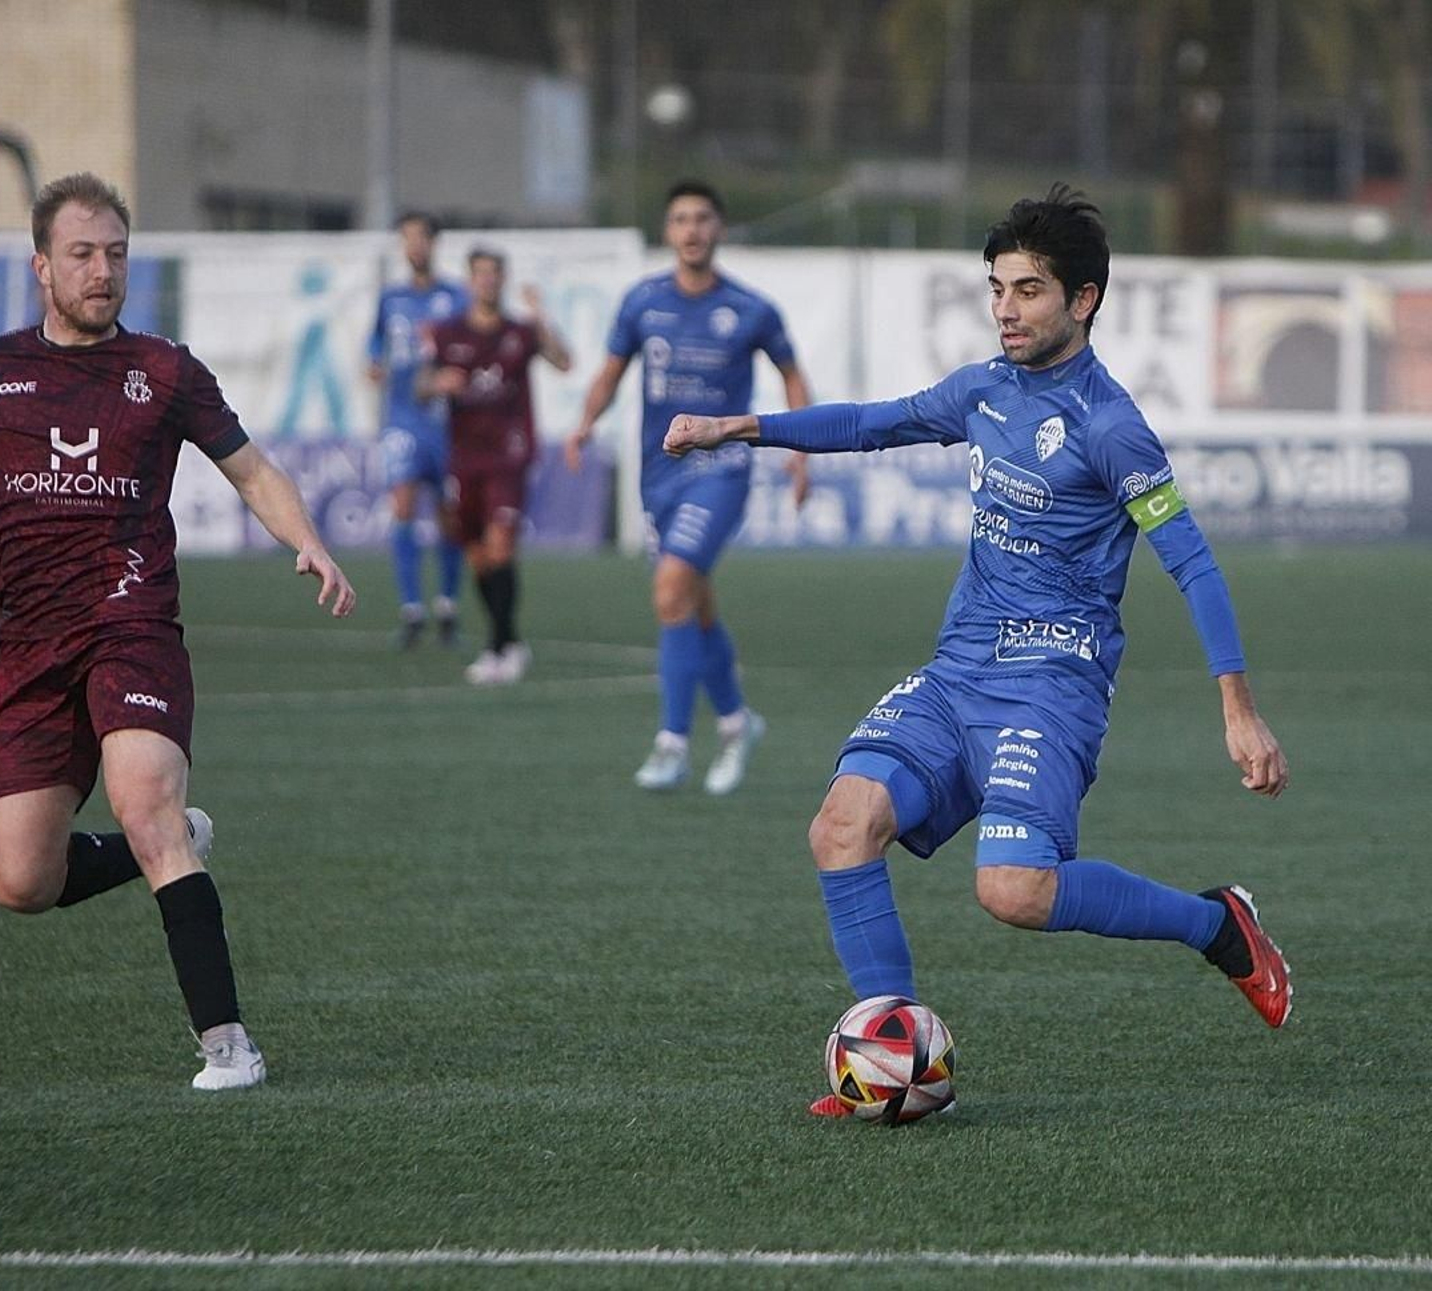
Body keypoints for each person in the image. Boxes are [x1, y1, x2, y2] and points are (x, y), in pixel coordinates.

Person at [662, 185, 1293, 1116]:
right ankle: (893, 1058)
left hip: (1052, 686)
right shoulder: (984, 389)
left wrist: (1237, 707)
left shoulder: (1112, 427)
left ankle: (1217, 923)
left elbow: (1192, 562)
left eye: (1029, 290)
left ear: (1082, 301)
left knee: (1013, 890)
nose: (1005, 308)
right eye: (998, 287)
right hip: (958, 669)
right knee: (841, 828)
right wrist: (738, 428)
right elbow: (873, 422)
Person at [0, 172, 357, 1091]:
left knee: (145, 802)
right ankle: (164, 843)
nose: (103, 271)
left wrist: (310, 540)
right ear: (42, 265)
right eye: (84, 254)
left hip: (132, 625)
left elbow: (253, 473)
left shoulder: (165, 371)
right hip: (31, 646)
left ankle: (228, 1045)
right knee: (22, 881)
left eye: (117, 253)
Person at [568, 180, 810, 796]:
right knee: (692, 601)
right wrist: (583, 426)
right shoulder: (642, 302)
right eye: (680, 219)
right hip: (660, 474)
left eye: (703, 218)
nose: (692, 229)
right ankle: (736, 723)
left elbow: (791, 375)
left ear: (719, 229)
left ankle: (672, 744)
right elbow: (610, 373)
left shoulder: (751, 308)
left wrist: (800, 455)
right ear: (668, 232)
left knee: (672, 586)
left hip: (722, 469)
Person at [422, 247, 571, 685]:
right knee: (478, 556)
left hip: (510, 454)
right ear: (469, 281)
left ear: (502, 280)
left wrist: (542, 315)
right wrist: (436, 383)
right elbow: (419, 385)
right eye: (480, 274)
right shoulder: (447, 334)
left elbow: (563, 362)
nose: (487, 281)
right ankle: (511, 641)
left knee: (502, 545)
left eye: (494, 274)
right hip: (464, 456)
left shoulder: (520, 332)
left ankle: (497, 646)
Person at [366, 211, 467, 648]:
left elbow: (469, 350)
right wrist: (373, 364)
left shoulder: (455, 298)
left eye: (421, 238)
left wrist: (453, 376)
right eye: (407, 239)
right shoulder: (392, 299)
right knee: (403, 505)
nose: (415, 247)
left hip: (447, 424)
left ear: (434, 243)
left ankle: (447, 605)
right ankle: (411, 610)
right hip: (403, 420)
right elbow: (375, 345)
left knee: (449, 515)